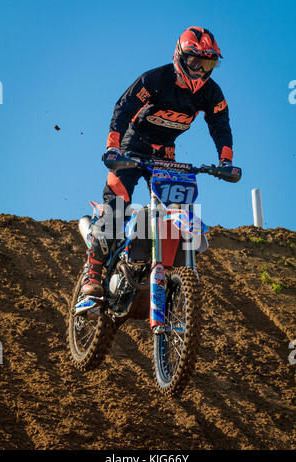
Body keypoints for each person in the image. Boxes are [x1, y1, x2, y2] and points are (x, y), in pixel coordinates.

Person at [81, 26, 234, 297]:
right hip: (131, 147)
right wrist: (113, 147)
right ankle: (92, 274)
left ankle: (164, 269)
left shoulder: (211, 92)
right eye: (194, 61)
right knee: (115, 207)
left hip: (165, 154)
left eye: (207, 62)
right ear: (180, 56)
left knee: (176, 211)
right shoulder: (156, 79)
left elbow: (220, 124)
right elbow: (123, 108)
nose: (199, 69)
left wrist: (225, 160)